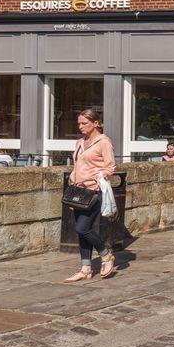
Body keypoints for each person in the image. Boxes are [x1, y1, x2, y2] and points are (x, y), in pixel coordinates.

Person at [63, 109, 117, 283]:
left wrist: (99, 177)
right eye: (79, 123)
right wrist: (73, 180)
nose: (80, 127)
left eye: (84, 123)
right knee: (81, 231)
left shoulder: (104, 142)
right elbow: (77, 165)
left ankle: (106, 255)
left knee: (83, 228)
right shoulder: (80, 142)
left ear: (96, 123)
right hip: (78, 191)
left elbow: (110, 167)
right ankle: (85, 269)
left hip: (94, 190)